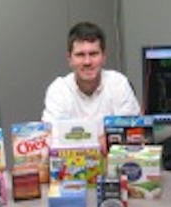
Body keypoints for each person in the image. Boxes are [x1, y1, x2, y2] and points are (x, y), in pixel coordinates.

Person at [42, 21, 140, 151]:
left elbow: (131, 133)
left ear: (104, 57)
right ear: (69, 59)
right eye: (80, 55)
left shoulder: (119, 84)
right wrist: (104, 140)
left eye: (93, 54)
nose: (87, 62)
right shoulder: (58, 90)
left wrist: (76, 142)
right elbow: (52, 140)